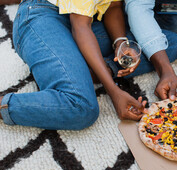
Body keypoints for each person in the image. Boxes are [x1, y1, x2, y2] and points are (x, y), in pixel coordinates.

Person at [0, 0, 151, 130]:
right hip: (42, 16)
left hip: (85, 20)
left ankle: (87, 70)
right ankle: (5, 104)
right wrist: (114, 91)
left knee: (160, 44)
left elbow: (113, 6)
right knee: (81, 107)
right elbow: (80, 26)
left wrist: (120, 43)